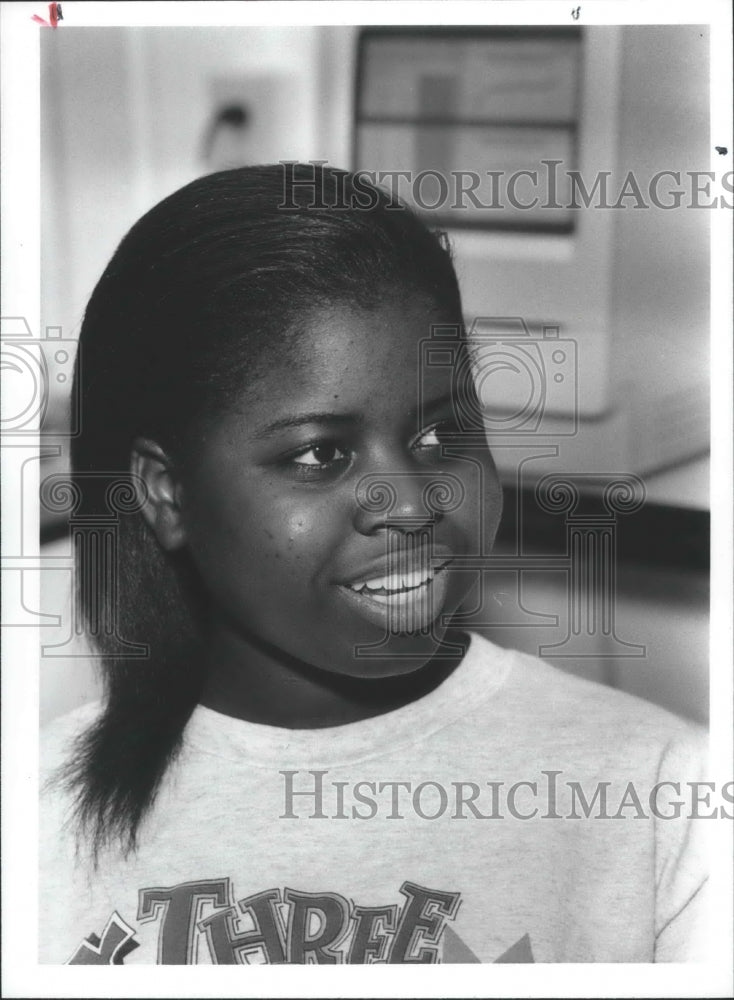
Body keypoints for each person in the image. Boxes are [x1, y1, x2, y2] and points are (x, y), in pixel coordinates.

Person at [40, 164, 708, 965]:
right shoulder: (38, 814)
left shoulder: (661, 797)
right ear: (167, 492)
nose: (411, 501)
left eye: (437, 437)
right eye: (321, 454)